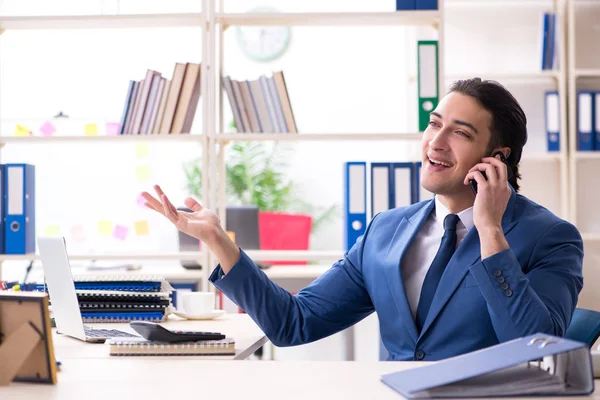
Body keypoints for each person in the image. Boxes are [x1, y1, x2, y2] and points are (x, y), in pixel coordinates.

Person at [141, 78, 584, 361]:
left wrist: (490, 231)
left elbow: (535, 348)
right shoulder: (384, 231)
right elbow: (293, 324)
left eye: (461, 133)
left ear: (496, 157)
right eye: (434, 123)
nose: (437, 142)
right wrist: (221, 242)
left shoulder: (549, 238)